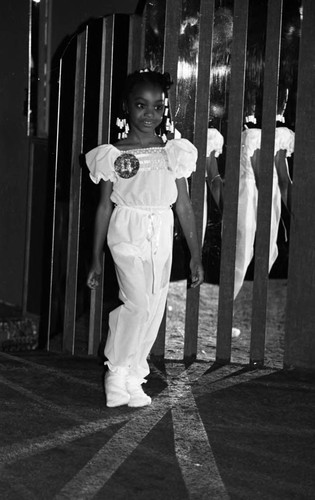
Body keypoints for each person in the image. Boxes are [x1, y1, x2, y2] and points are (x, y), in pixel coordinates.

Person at [85, 69, 204, 408]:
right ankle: (116, 369)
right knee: (135, 303)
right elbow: (104, 208)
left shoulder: (172, 152)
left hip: (161, 232)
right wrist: (95, 257)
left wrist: (195, 254)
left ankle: (134, 376)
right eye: (141, 105)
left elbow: (183, 204)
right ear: (126, 107)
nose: (149, 114)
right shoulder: (115, 154)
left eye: (157, 107)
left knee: (152, 308)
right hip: (127, 230)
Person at [206, 115, 294, 301]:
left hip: (271, 194)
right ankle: (227, 304)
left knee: (268, 252)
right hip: (248, 194)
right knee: (241, 253)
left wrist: (294, 217)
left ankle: (246, 304)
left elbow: (285, 182)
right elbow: (262, 178)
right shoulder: (252, 135)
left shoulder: (280, 136)